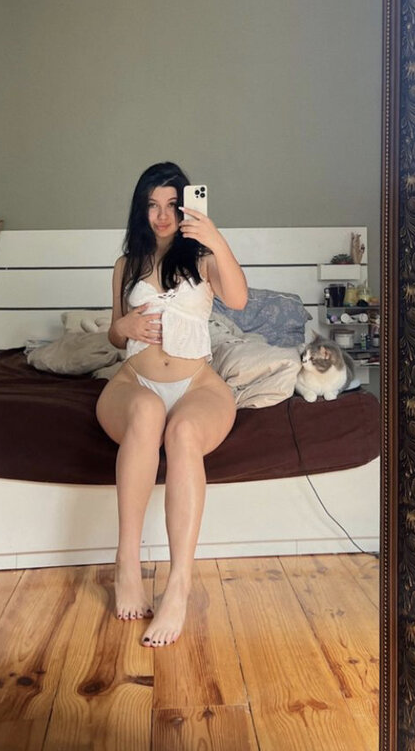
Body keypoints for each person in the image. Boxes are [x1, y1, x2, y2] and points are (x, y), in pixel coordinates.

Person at [95, 162, 248, 648]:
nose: (162, 216)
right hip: (134, 380)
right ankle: (127, 563)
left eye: (171, 205)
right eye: (152, 205)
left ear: (185, 208)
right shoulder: (126, 265)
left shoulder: (202, 259)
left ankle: (179, 584)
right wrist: (125, 328)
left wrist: (214, 237)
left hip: (196, 384)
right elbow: (114, 334)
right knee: (147, 413)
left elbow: (239, 299)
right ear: (141, 210)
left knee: (181, 432)